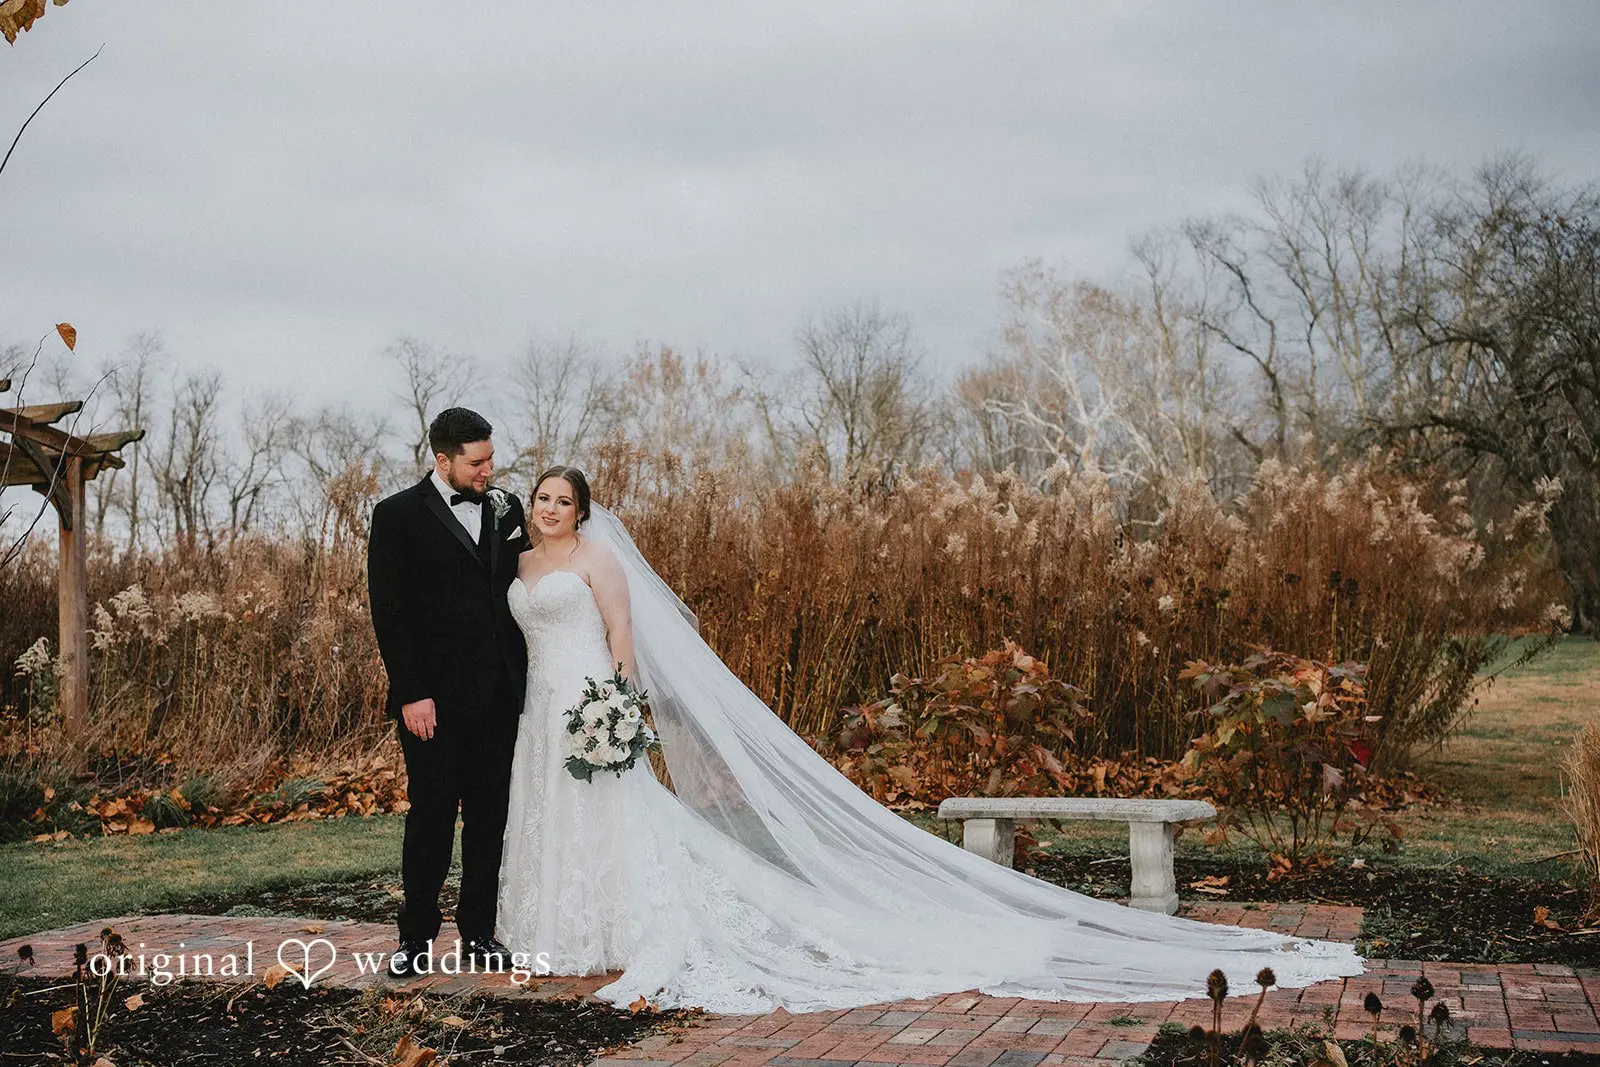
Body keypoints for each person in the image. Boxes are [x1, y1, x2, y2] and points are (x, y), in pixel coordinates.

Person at [495, 465, 1364, 1014]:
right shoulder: (526, 565)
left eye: (563, 501)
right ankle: (567, 929)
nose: (550, 510)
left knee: (620, 819)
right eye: (542, 498)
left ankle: (623, 925)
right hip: (543, 712)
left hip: (590, 706)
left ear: (584, 511)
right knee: (552, 816)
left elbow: (623, 641)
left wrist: (618, 710)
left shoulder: (597, 562)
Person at [366, 408, 531, 978]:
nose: (488, 471)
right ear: (442, 459)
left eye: (490, 459)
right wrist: (412, 692)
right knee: (432, 816)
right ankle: (415, 938)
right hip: (431, 702)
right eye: (476, 462)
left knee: (491, 817)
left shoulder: (508, 510)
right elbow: (389, 612)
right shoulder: (396, 517)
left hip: (500, 697)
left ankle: (479, 933)